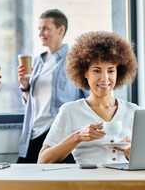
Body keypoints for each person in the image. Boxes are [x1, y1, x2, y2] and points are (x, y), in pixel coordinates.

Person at [38, 31, 140, 164]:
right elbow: (43, 161)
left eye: (110, 70)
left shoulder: (135, 112)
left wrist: (132, 155)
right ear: (85, 72)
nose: (104, 78)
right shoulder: (70, 111)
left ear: (118, 72)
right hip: (87, 183)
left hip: (128, 183)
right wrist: (78, 137)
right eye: (97, 70)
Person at [17, 9, 90, 163]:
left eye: (46, 28)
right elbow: (31, 103)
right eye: (39, 29)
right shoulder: (37, 61)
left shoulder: (75, 60)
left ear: (61, 29)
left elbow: (89, 99)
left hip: (58, 133)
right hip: (33, 132)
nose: (41, 33)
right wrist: (25, 87)